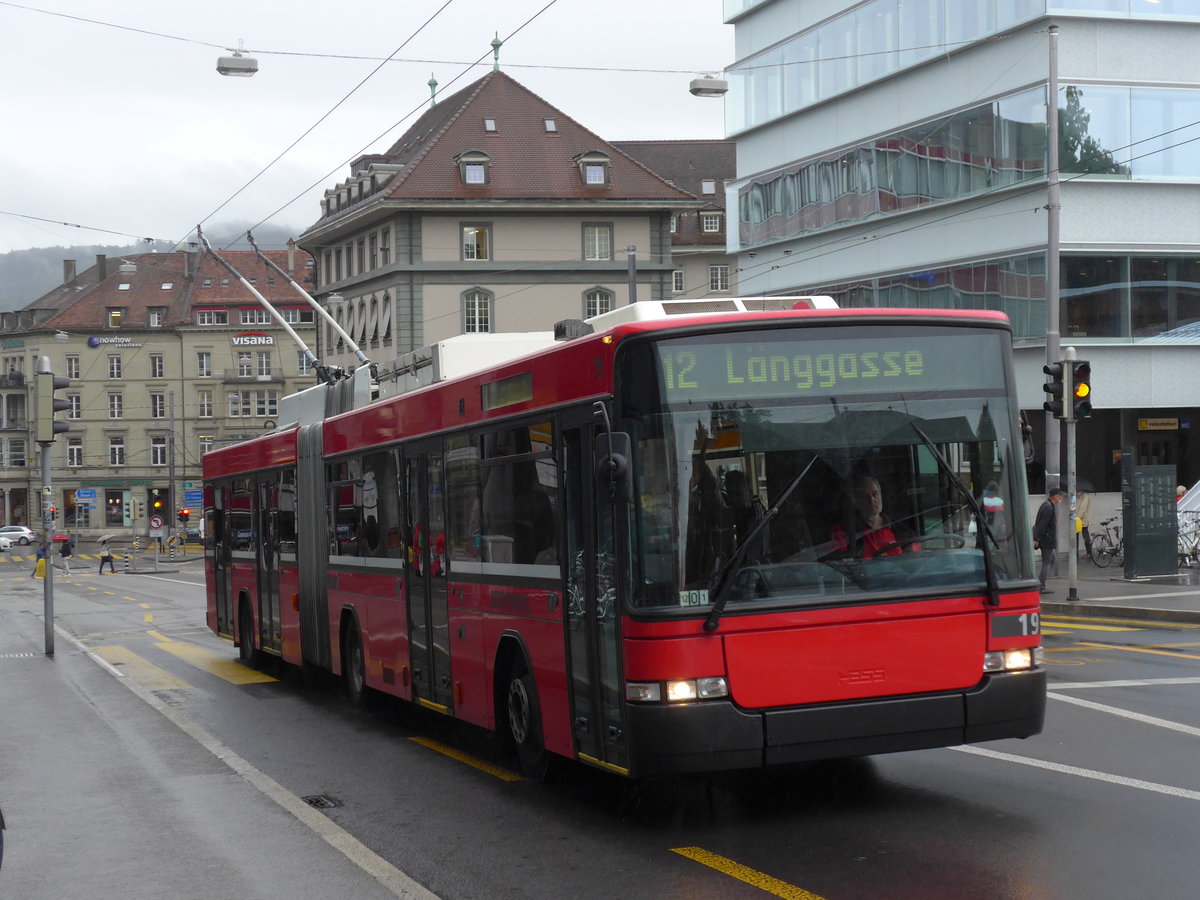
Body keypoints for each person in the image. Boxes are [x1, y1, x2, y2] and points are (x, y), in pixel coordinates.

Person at [830, 474, 914, 559]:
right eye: (865, 496)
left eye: (875, 494)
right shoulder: (843, 531)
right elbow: (842, 562)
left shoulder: (900, 530)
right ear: (856, 501)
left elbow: (914, 559)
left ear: (881, 495)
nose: (872, 500)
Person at [1033, 488, 1065, 593]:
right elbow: (1042, 524)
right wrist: (1037, 538)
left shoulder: (1047, 505)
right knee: (1047, 562)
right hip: (1047, 539)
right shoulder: (1048, 508)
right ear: (1055, 496)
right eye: (1060, 495)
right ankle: (1040, 586)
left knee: (1051, 560)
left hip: (1046, 538)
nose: (1061, 498)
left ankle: (1039, 582)